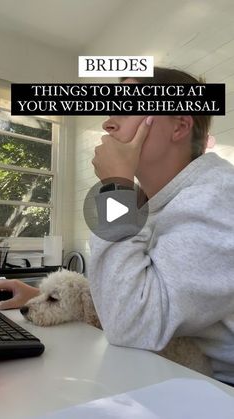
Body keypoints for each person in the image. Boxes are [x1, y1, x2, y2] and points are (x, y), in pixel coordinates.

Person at [88, 67, 234, 385]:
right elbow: (138, 286)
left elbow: (133, 322)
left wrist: (116, 185)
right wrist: (63, 297)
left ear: (179, 125)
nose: (108, 121)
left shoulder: (218, 197)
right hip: (185, 376)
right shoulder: (157, 202)